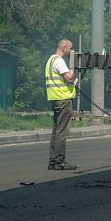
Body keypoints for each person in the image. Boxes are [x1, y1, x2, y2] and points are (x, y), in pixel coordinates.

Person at [45, 39, 77, 170]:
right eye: (70, 48)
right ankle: (60, 161)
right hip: (63, 99)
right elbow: (68, 78)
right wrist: (73, 68)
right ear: (63, 47)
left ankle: (52, 161)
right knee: (62, 132)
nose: (71, 51)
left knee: (56, 131)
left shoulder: (50, 60)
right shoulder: (59, 61)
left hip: (55, 99)